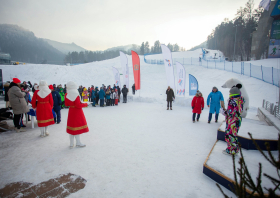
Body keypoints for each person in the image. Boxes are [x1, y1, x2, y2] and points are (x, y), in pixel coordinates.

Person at [65, 81, 89, 148]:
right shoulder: (76, 93)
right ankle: (78, 142)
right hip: (77, 112)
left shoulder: (67, 94)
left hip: (71, 111)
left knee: (71, 127)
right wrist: (85, 104)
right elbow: (78, 105)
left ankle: (71, 144)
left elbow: (66, 104)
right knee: (77, 127)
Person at [222, 84, 244, 155]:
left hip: (232, 121)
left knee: (230, 135)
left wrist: (224, 112)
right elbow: (238, 111)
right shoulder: (239, 100)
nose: (229, 94)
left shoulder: (232, 101)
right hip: (237, 120)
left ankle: (231, 150)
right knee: (234, 135)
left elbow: (231, 112)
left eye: (230, 93)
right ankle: (235, 149)